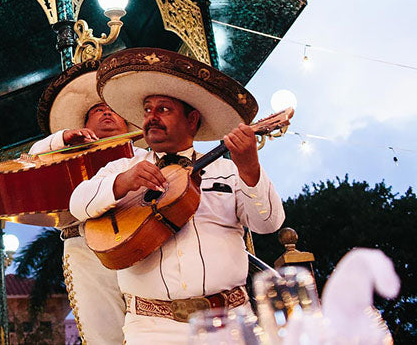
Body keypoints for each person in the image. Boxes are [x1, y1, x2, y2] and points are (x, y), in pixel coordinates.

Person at [69, 48, 285, 345]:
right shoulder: (124, 167)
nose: (151, 118)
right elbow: (77, 203)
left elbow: (268, 223)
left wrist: (249, 167)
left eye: (164, 109)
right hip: (151, 329)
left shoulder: (227, 170)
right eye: (147, 110)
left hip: (231, 323)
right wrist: (122, 183)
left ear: (192, 119)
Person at [27, 59, 144, 345]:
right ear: (84, 124)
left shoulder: (144, 157)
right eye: (97, 110)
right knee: (102, 334)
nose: (106, 113)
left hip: (141, 244)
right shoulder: (67, 159)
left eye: (112, 110)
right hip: (83, 247)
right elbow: (30, 162)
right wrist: (62, 139)